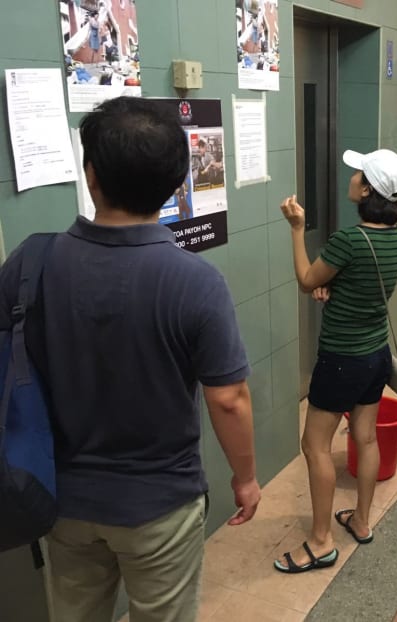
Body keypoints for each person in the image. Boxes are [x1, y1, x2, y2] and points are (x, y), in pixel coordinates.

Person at [0, 96, 261, 622]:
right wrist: (246, 478)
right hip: (159, 506)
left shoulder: (31, 262)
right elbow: (229, 399)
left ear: (91, 174)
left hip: (62, 498)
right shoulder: (195, 281)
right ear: (178, 182)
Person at [274, 148, 397, 574]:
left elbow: (305, 280)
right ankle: (362, 521)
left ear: (367, 190)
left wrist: (297, 229)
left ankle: (320, 542)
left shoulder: (348, 240)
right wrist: (332, 288)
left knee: (314, 446)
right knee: (365, 439)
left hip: (340, 359)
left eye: (359, 173)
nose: (352, 176)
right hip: (374, 355)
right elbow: (359, 287)